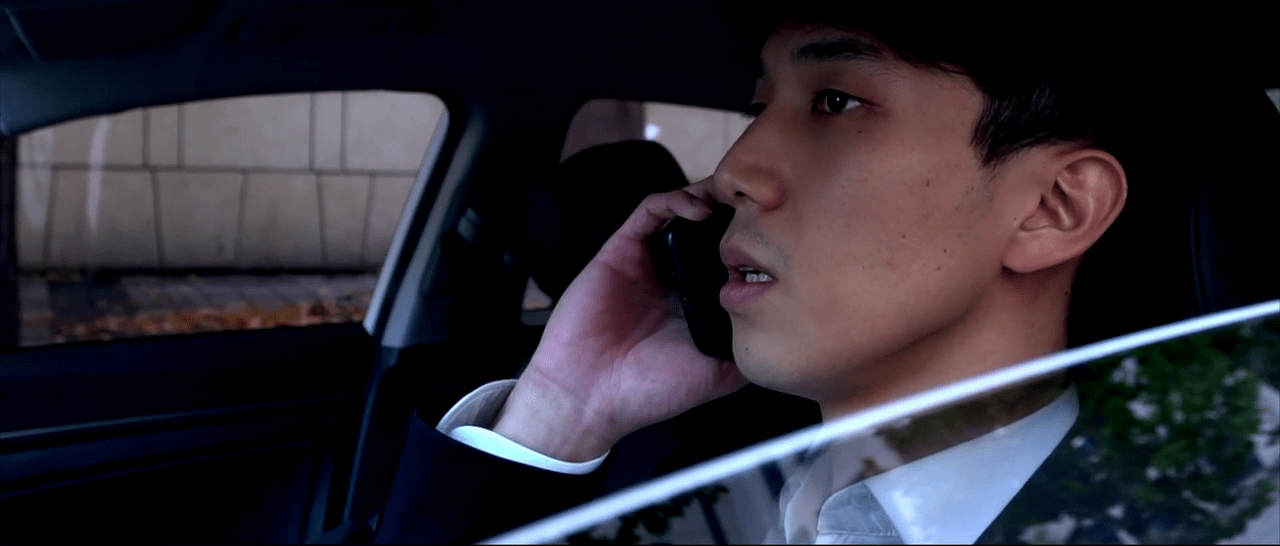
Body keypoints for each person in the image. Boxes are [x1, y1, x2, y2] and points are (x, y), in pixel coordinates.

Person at [373, 4, 1232, 544]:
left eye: (837, 102)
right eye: (759, 107)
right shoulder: (676, 472)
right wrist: (562, 410)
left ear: (1052, 208)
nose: (735, 170)